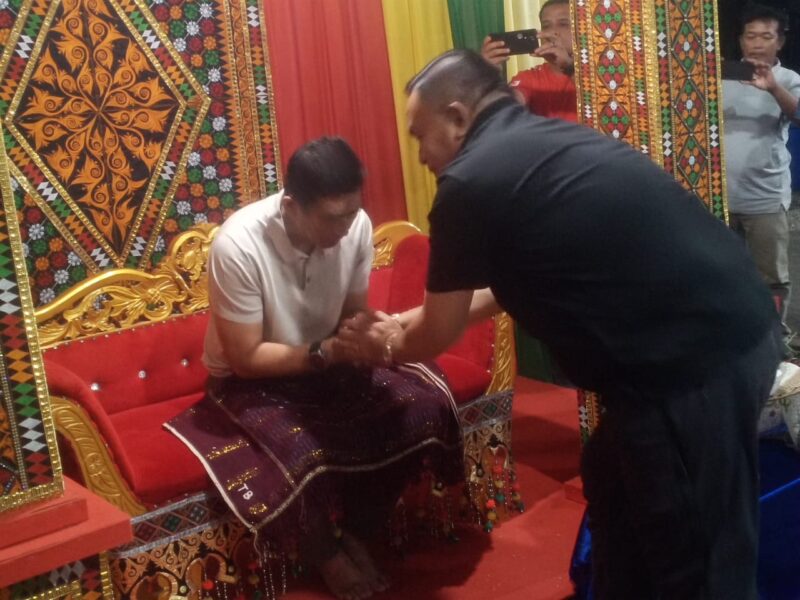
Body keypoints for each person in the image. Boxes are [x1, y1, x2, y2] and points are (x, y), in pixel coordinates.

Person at [342, 50, 781, 599]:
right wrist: (400, 324)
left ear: (456, 117)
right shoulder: (540, 143)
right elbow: (501, 289)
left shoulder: (470, 179)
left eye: (419, 136)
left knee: (698, 561)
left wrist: (378, 346)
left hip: (693, 368)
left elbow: (437, 333)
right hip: (728, 332)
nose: (422, 154)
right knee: (614, 486)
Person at [165, 137, 463, 600]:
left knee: (423, 407)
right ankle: (326, 555)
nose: (346, 227)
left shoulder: (356, 226)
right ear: (291, 206)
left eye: (352, 212)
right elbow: (245, 358)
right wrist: (331, 351)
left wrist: (370, 336)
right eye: (332, 217)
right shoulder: (238, 245)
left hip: (324, 363)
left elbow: (351, 316)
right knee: (302, 449)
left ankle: (358, 533)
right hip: (249, 381)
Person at [723, 3, 800, 351]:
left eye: (766, 36)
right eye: (750, 36)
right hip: (718, 199)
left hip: (765, 199)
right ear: (741, 40)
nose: (756, 43)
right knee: (724, 273)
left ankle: (775, 343)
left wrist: (772, 88)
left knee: (771, 279)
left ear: (779, 42)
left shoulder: (789, 80)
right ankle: (734, 339)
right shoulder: (720, 77)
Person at [481, 0, 577, 122]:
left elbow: (599, 101)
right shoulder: (529, 78)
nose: (553, 32)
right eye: (546, 26)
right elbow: (506, 109)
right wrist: (487, 76)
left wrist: (569, 69)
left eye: (563, 24)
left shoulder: (597, 75)